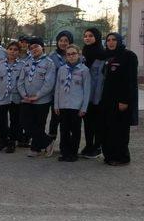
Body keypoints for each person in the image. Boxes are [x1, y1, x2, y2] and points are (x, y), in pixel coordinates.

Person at [100, 33, 138, 166]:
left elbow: (130, 81)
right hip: (106, 99)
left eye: (114, 40)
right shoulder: (106, 56)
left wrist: (125, 100)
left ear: (120, 41)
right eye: (108, 40)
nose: (111, 42)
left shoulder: (128, 56)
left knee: (119, 130)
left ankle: (121, 157)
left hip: (121, 100)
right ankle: (109, 155)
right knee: (107, 128)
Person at [17, 37, 56, 157]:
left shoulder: (49, 63)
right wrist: (24, 95)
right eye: (31, 48)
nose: (34, 49)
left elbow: (49, 83)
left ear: (42, 47)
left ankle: (36, 148)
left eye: (36, 47)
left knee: (39, 124)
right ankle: (48, 141)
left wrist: (37, 96)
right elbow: (20, 81)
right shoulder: (27, 63)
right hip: (26, 99)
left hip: (42, 100)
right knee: (25, 123)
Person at [53, 44, 90, 162]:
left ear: (78, 54)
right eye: (68, 54)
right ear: (65, 56)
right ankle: (64, 152)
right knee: (64, 130)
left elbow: (87, 90)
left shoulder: (84, 70)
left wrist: (84, 108)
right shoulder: (62, 69)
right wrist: (56, 104)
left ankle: (73, 153)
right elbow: (57, 88)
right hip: (63, 105)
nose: (71, 56)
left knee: (75, 131)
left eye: (74, 53)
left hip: (76, 106)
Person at [0, 41, 24, 153]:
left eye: (15, 50)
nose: (13, 52)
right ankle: (3, 139)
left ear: (19, 52)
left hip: (16, 97)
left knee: (15, 120)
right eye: (11, 49)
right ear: (7, 50)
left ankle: (12, 141)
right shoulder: (0, 64)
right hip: (2, 96)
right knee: (0, 119)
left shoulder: (22, 65)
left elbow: (23, 82)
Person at [80, 28, 107, 158]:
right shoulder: (83, 54)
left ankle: (97, 146)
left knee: (98, 123)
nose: (87, 38)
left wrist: (98, 98)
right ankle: (89, 145)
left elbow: (102, 79)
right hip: (86, 96)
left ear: (96, 37)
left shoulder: (103, 55)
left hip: (98, 96)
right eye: (85, 36)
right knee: (88, 122)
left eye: (90, 36)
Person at [48, 30, 73, 139]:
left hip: (71, 93)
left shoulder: (74, 55)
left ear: (70, 42)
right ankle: (51, 142)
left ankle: (66, 144)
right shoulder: (52, 56)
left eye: (66, 41)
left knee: (67, 120)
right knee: (55, 118)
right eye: (61, 40)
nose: (63, 43)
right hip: (56, 93)